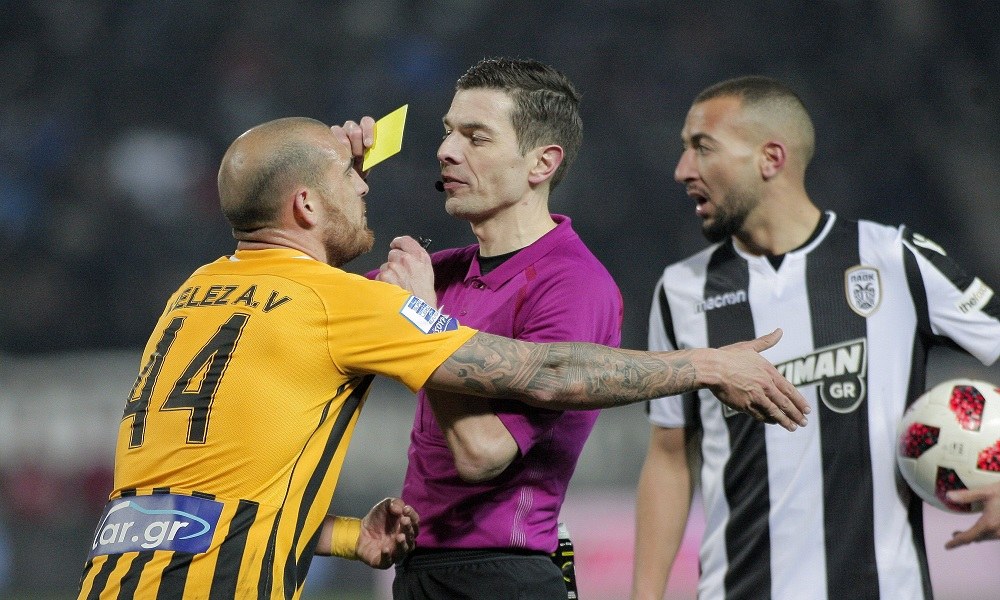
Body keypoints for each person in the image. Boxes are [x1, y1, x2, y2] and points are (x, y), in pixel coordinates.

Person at [77, 116, 809, 599]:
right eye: (350, 178)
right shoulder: (343, 303)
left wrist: (344, 536)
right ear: (306, 206)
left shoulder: (195, 295)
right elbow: (545, 372)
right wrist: (708, 366)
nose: (365, 184)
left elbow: (208, 493)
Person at [630, 75, 1000, 600]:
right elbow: (669, 456)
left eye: (702, 147)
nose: (683, 169)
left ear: (771, 158)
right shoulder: (682, 289)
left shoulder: (893, 259)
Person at [362, 57, 622, 598]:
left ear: (541, 163)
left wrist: (422, 318)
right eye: (448, 131)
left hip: (502, 575)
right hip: (420, 569)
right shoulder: (442, 274)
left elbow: (483, 454)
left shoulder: (574, 286)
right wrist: (331, 178)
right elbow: (301, 303)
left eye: (476, 137)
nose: (446, 150)